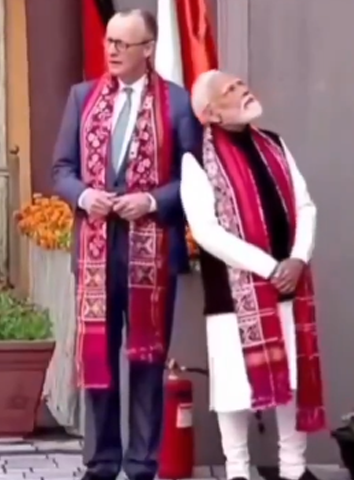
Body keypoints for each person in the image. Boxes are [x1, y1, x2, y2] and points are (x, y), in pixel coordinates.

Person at [51, 9, 201, 480]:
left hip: (151, 252)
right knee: (98, 356)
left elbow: (196, 179)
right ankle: (101, 462)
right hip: (96, 250)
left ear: (148, 49)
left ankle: (141, 465)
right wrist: (84, 195)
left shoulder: (177, 103)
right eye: (109, 41)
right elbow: (62, 170)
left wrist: (151, 201)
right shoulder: (83, 97)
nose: (112, 50)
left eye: (123, 43)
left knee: (147, 360)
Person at [181, 69, 324, 480]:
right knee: (233, 388)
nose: (243, 89)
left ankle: (294, 469)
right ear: (211, 113)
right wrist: (269, 267)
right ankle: (238, 470)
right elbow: (206, 232)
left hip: (290, 283)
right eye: (231, 90)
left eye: (240, 83)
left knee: (292, 378)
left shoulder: (274, 143)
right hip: (234, 293)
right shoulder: (196, 159)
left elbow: (305, 206)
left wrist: (297, 259)